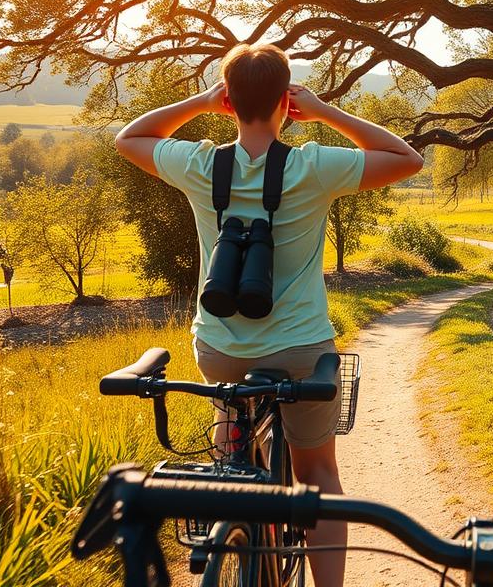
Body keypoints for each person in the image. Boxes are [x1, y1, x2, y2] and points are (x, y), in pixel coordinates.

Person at [114, 43, 423, 587]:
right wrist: (326, 112)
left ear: (229, 101)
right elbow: (406, 159)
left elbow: (129, 138)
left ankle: (233, 481)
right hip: (300, 350)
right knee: (319, 473)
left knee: (231, 431)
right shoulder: (313, 166)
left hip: (220, 347)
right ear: (286, 100)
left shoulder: (200, 163)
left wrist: (200, 103)